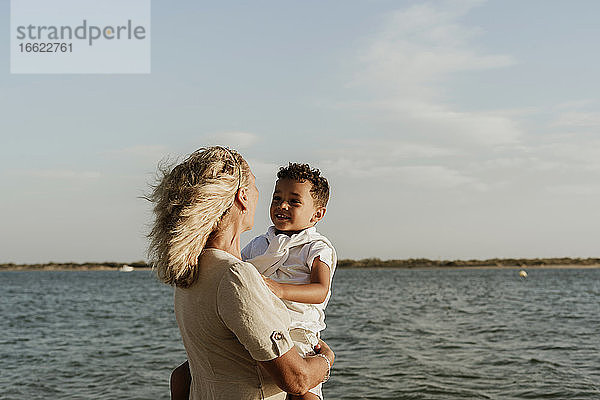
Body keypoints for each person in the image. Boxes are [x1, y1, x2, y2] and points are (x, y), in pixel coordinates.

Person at [148, 147, 334, 400]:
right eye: (259, 187)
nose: (280, 204)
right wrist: (326, 360)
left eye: (293, 200)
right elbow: (296, 378)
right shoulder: (235, 275)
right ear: (243, 196)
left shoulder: (191, 270)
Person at [242, 163, 336, 400]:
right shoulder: (259, 244)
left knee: (303, 392)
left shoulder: (316, 247)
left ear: (317, 214)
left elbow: (320, 290)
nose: (282, 205)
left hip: (299, 329)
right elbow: (235, 268)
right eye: (277, 198)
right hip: (263, 324)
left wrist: (280, 289)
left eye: (294, 201)